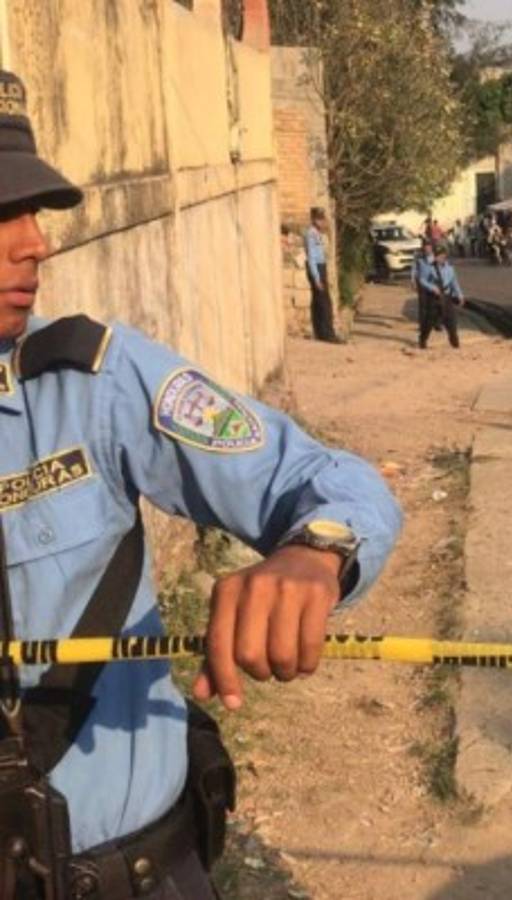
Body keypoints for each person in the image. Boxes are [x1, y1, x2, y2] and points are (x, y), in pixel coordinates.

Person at [0, 69, 403, 898]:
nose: (33, 242)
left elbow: (321, 481)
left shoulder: (93, 383)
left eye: (30, 211)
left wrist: (314, 554)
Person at [418, 244, 465, 349]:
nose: (441, 258)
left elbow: (454, 283)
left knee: (451, 320)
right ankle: (423, 339)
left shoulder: (450, 268)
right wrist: (432, 287)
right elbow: (422, 280)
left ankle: (454, 342)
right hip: (434, 298)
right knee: (429, 321)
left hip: (447, 297)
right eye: (438, 256)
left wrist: (460, 295)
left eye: (442, 255)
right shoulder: (429, 267)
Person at [305, 207, 340, 343]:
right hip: (317, 268)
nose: (323, 222)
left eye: (323, 219)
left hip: (321, 267)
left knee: (319, 301)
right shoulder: (311, 234)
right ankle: (328, 334)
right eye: (320, 219)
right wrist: (317, 278)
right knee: (324, 303)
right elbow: (312, 258)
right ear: (314, 220)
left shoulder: (318, 233)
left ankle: (321, 332)